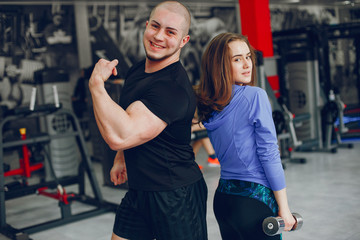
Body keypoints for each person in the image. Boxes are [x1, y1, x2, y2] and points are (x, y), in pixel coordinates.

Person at [88, 1, 208, 240]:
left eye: (170, 32)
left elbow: (120, 135)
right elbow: (125, 120)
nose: (159, 36)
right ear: (146, 26)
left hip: (175, 193)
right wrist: (121, 158)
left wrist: (96, 86)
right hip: (140, 190)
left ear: (184, 41)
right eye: (155, 26)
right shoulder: (136, 71)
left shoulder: (171, 88)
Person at [196, 32, 295, 240]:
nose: (246, 64)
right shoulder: (255, 96)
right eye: (237, 59)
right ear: (220, 65)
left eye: (248, 56)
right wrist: (284, 208)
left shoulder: (210, 103)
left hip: (224, 200)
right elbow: (269, 153)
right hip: (254, 201)